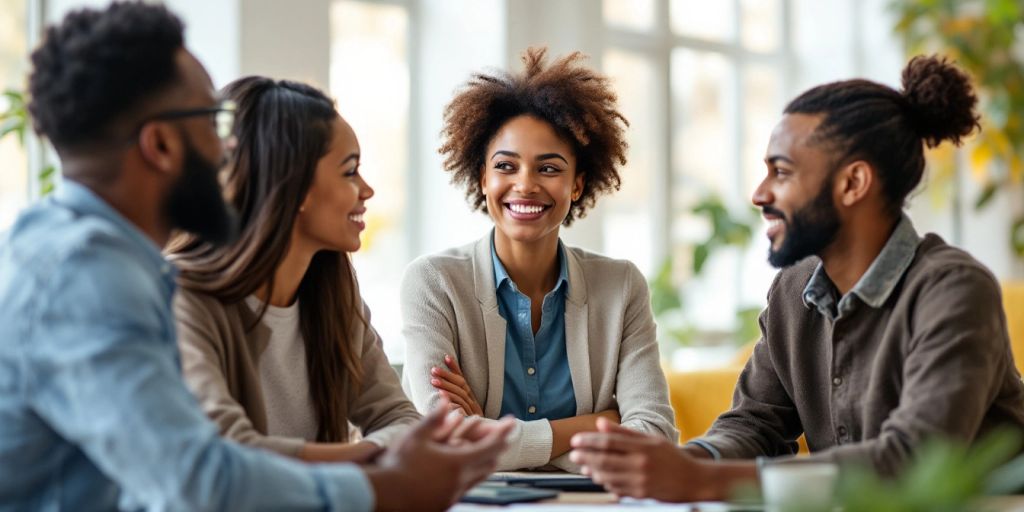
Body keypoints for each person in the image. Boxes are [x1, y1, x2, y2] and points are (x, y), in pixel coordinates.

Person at [0, 3, 511, 510]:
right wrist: (385, 484)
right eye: (212, 121)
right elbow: (200, 479)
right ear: (160, 144)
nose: (229, 150)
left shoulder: (98, 261)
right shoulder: (87, 277)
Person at [570, 54, 1024, 501]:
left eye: (781, 172)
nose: (759, 193)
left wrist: (702, 481)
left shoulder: (954, 290)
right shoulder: (795, 289)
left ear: (853, 184)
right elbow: (755, 424)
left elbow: (913, 460)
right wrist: (690, 462)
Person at [400, 47, 678, 472]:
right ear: (483, 178)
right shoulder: (433, 282)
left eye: (548, 168)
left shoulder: (621, 287)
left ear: (578, 184)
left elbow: (654, 434)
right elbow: (450, 439)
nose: (525, 185)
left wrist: (491, 432)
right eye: (506, 166)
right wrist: (600, 423)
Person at [166, 76, 421, 463]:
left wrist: (368, 455)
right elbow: (224, 450)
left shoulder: (334, 292)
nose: (366, 190)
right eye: (349, 171)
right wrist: (367, 460)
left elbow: (398, 416)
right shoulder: (178, 297)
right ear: (295, 186)